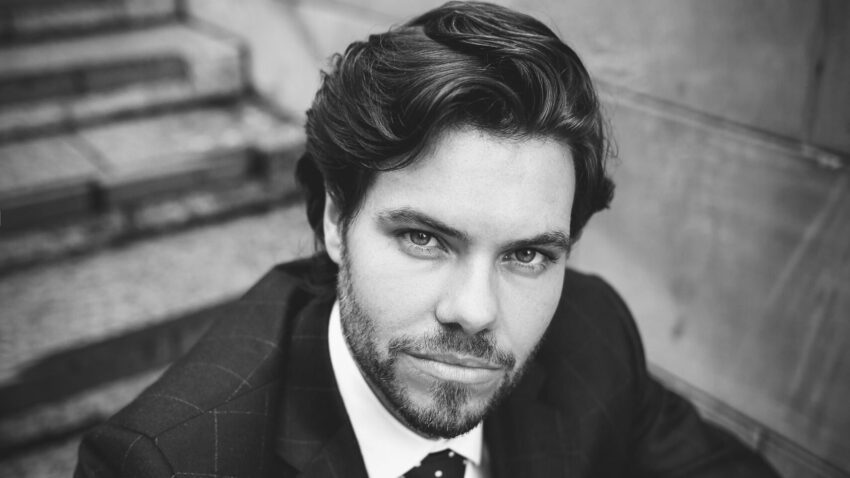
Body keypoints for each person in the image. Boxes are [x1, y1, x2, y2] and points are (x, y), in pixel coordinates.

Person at [75, 2, 780, 477]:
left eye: (527, 255)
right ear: (333, 221)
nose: (475, 311)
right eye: (423, 238)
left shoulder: (592, 334)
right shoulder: (170, 462)